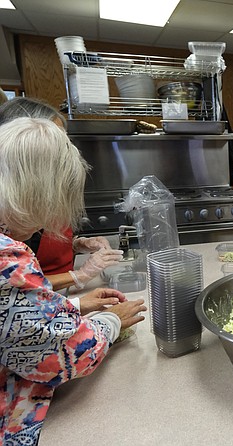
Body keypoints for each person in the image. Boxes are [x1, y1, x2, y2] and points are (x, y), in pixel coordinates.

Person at [0, 117, 147, 444]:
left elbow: (13, 323)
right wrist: (111, 320)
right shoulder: (7, 260)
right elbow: (62, 357)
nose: (48, 222)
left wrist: (75, 304)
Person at [0, 97, 124, 292]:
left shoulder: (38, 197)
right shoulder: (12, 220)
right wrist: (80, 275)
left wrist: (76, 244)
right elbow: (19, 284)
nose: (65, 149)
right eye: (55, 138)